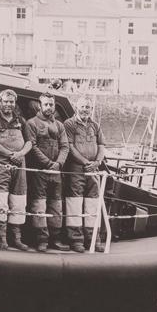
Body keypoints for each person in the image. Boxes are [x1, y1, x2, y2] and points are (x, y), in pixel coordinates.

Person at [0, 90, 34, 251]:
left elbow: (29, 143)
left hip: (20, 164)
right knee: (1, 199)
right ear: (0, 102)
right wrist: (10, 154)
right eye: (5, 101)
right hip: (1, 164)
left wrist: (20, 154)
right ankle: (1, 238)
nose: (8, 104)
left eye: (11, 102)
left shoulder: (21, 120)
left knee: (19, 200)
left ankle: (17, 239)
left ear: (15, 103)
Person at [23, 94, 69, 251]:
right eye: (46, 104)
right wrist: (48, 163)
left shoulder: (60, 126)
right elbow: (33, 146)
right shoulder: (31, 123)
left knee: (56, 204)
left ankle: (55, 238)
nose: (49, 107)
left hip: (56, 172)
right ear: (40, 106)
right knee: (39, 204)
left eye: (51, 104)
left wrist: (59, 163)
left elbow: (65, 146)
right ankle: (41, 239)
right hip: (39, 171)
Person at [63, 96, 107, 252]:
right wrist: (85, 162)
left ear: (91, 109)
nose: (85, 110)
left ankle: (93, 239)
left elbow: (101, 145)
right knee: (74, 204)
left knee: (92, 204)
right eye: (82, 106)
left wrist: (97, 162)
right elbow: (70, 146)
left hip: (93, 169)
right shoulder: (69, 124)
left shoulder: (95, 126)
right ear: (76, 107)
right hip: (76, 169)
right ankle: (76, 240)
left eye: (88, 107)